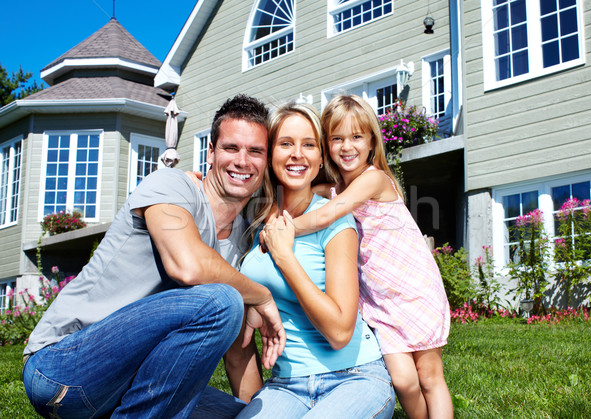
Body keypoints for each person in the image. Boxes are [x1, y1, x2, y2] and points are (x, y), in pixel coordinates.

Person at [22, 94, 286, 419]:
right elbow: (187, 266)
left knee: (244, 416)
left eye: (255, 151)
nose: (242, 161)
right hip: (63, 364)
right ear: (211, 153)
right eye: (231, 148)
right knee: (223, 300)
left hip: (134, 382)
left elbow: (236, 354)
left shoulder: (239, 243)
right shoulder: (171, 185)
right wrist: (261, 295)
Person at [291, 94, 453, 419]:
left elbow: (327, 214)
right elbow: (311, 190)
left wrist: (285, 229)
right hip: (382, 303)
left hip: (415, 290)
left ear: (370, 142)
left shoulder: (374, 179)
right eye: (337, 138)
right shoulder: (339, 186)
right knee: (404, 381)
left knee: (429, 375)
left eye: (356, 137)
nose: (346, 146)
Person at [233, 101, 395, 418]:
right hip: (283, 385)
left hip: (355, 377)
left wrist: (285, 258)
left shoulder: (335, 223)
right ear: (269, 154)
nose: (298, 154)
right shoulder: (255, 223)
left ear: (321, 158)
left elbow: (338, 332)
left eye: (309, 145)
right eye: (286, 144)